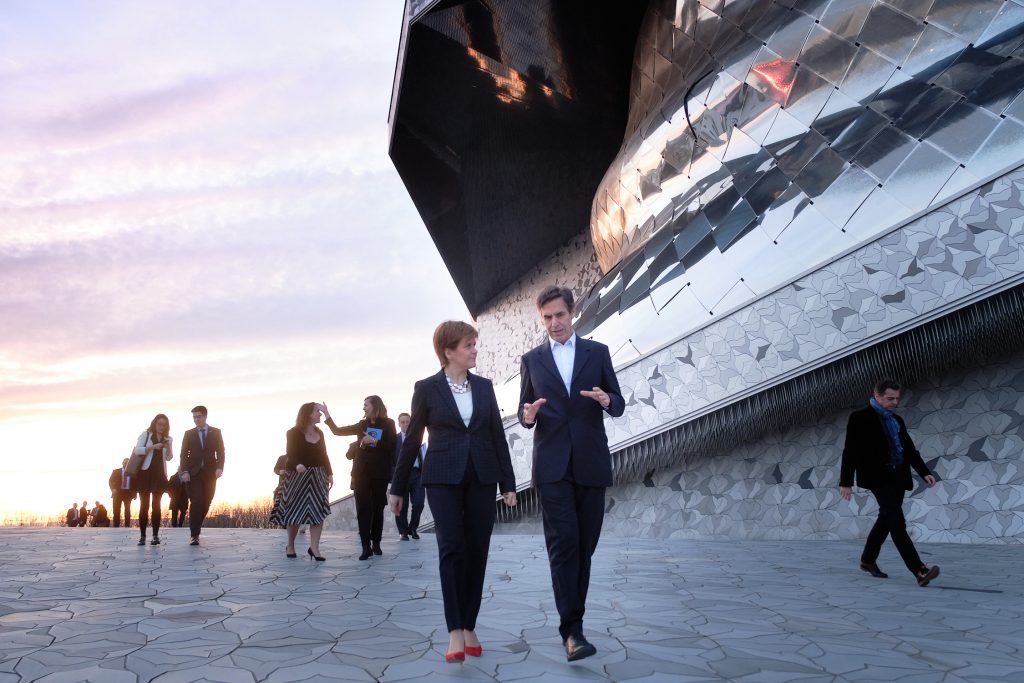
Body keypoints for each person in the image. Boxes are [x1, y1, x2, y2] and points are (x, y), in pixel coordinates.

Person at [390, 320, 517, 663]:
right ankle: (454, 632)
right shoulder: (427, 388)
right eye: (468, 345)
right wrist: (398, 487)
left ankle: (470, 625)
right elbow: (413, 438)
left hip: (482, 476)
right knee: (452, 549)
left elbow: (496, 436)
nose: (475, 350)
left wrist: (508, 483)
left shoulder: (485, 387)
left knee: (477, 551)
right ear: (448, 351)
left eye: (475, 344)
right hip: (442, 477)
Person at [518, 285, 625, 662]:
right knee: (563, 544)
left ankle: (573, 621)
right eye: (546, 317)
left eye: (559, 315)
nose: (553, 323)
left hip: (590, 463)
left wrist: (607, 399)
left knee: (584, 546)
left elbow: (619, 402)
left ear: (572, 313)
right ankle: (572, 630)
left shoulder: (598, 353)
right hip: (551, 467)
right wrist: (527, 417)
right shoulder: (531, 359)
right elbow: (524, 409)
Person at [839, 379, 941, 587]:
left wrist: (924, 472)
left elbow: (910, 450)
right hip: (877, 477)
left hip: (898, 476)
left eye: (897, 398)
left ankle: (867, 561)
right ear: (877, 396)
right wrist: (845, 482)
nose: (895, 402)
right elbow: (850, 450)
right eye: (890, 398)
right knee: (897, 522)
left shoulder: (897, 420)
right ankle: (919, 570)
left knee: (886, 518)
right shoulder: (860, 418)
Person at [323, 396, 396, 560]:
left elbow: (392, 446)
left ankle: (376, 542)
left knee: (377, 508)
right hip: (361, 473)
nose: (363, 408)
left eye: (366, 405)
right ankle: (365, 546)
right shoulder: (362, 424)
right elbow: (338, 431)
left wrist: (374, 441)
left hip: (380, 473)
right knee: (363, 509)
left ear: (375, 406)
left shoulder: (389, 423)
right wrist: (327, 415)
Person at [281, 403, 334, 560]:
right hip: (297, 475)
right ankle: (290, 545)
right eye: (317, 411)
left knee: (318, 512)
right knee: (295, 511)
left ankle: (315, 548)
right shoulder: (293, 432)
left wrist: (329, 473)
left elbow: (324, 454)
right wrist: (297, 464)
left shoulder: (320, 433)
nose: (320, 414)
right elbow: (291, 452)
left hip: (318, 475)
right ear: (308, 414)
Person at [178, 405, 225, 546]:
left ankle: (196, 527)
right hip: (193, 473)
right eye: (194, 417)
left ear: (205, 416)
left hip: (210, 473)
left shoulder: (216, 432)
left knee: (207, 501)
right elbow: (183, 454)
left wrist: (219, 467)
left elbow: (221, 452)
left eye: (198, 416)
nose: (196, 419)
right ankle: (194, 534)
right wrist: (185, 471)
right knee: (196, 501)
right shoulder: (189, 433)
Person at [133, 413, 174, 546]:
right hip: (145, 473)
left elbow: (169, 458)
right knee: (144, 505)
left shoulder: (168, 438)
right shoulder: (146, 435)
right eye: (159, 424)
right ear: (154, 423)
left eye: (164, 425)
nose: (161, 427)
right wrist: (152, 447)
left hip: (160, 474)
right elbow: (137, 450)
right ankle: (143, 536)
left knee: (156, 506)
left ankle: (155, 536)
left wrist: (168, 448)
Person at [393, 412, 426, 540]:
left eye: (408, 421)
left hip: (417, 474)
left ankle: (413, 528)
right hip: (401, 475)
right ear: (399, 424)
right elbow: (391, 460)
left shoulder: (417, 438)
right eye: (403, 422)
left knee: (419, 503)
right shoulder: (395, 440)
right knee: (401, 505)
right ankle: (403, 532)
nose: (406, 424)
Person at [108, 458, 136, 528]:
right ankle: (116, 524)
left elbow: (135, 484)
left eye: (127, 462)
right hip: (118, 492)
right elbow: (110, 481)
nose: (126, 463)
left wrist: (135, 494)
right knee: (116, 508)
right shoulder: (116, 471)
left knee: (127, 509)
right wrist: (113, 489)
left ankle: (127, 524)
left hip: (128, 493)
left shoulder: (133, 472)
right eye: (125, 462)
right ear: (122, 463)